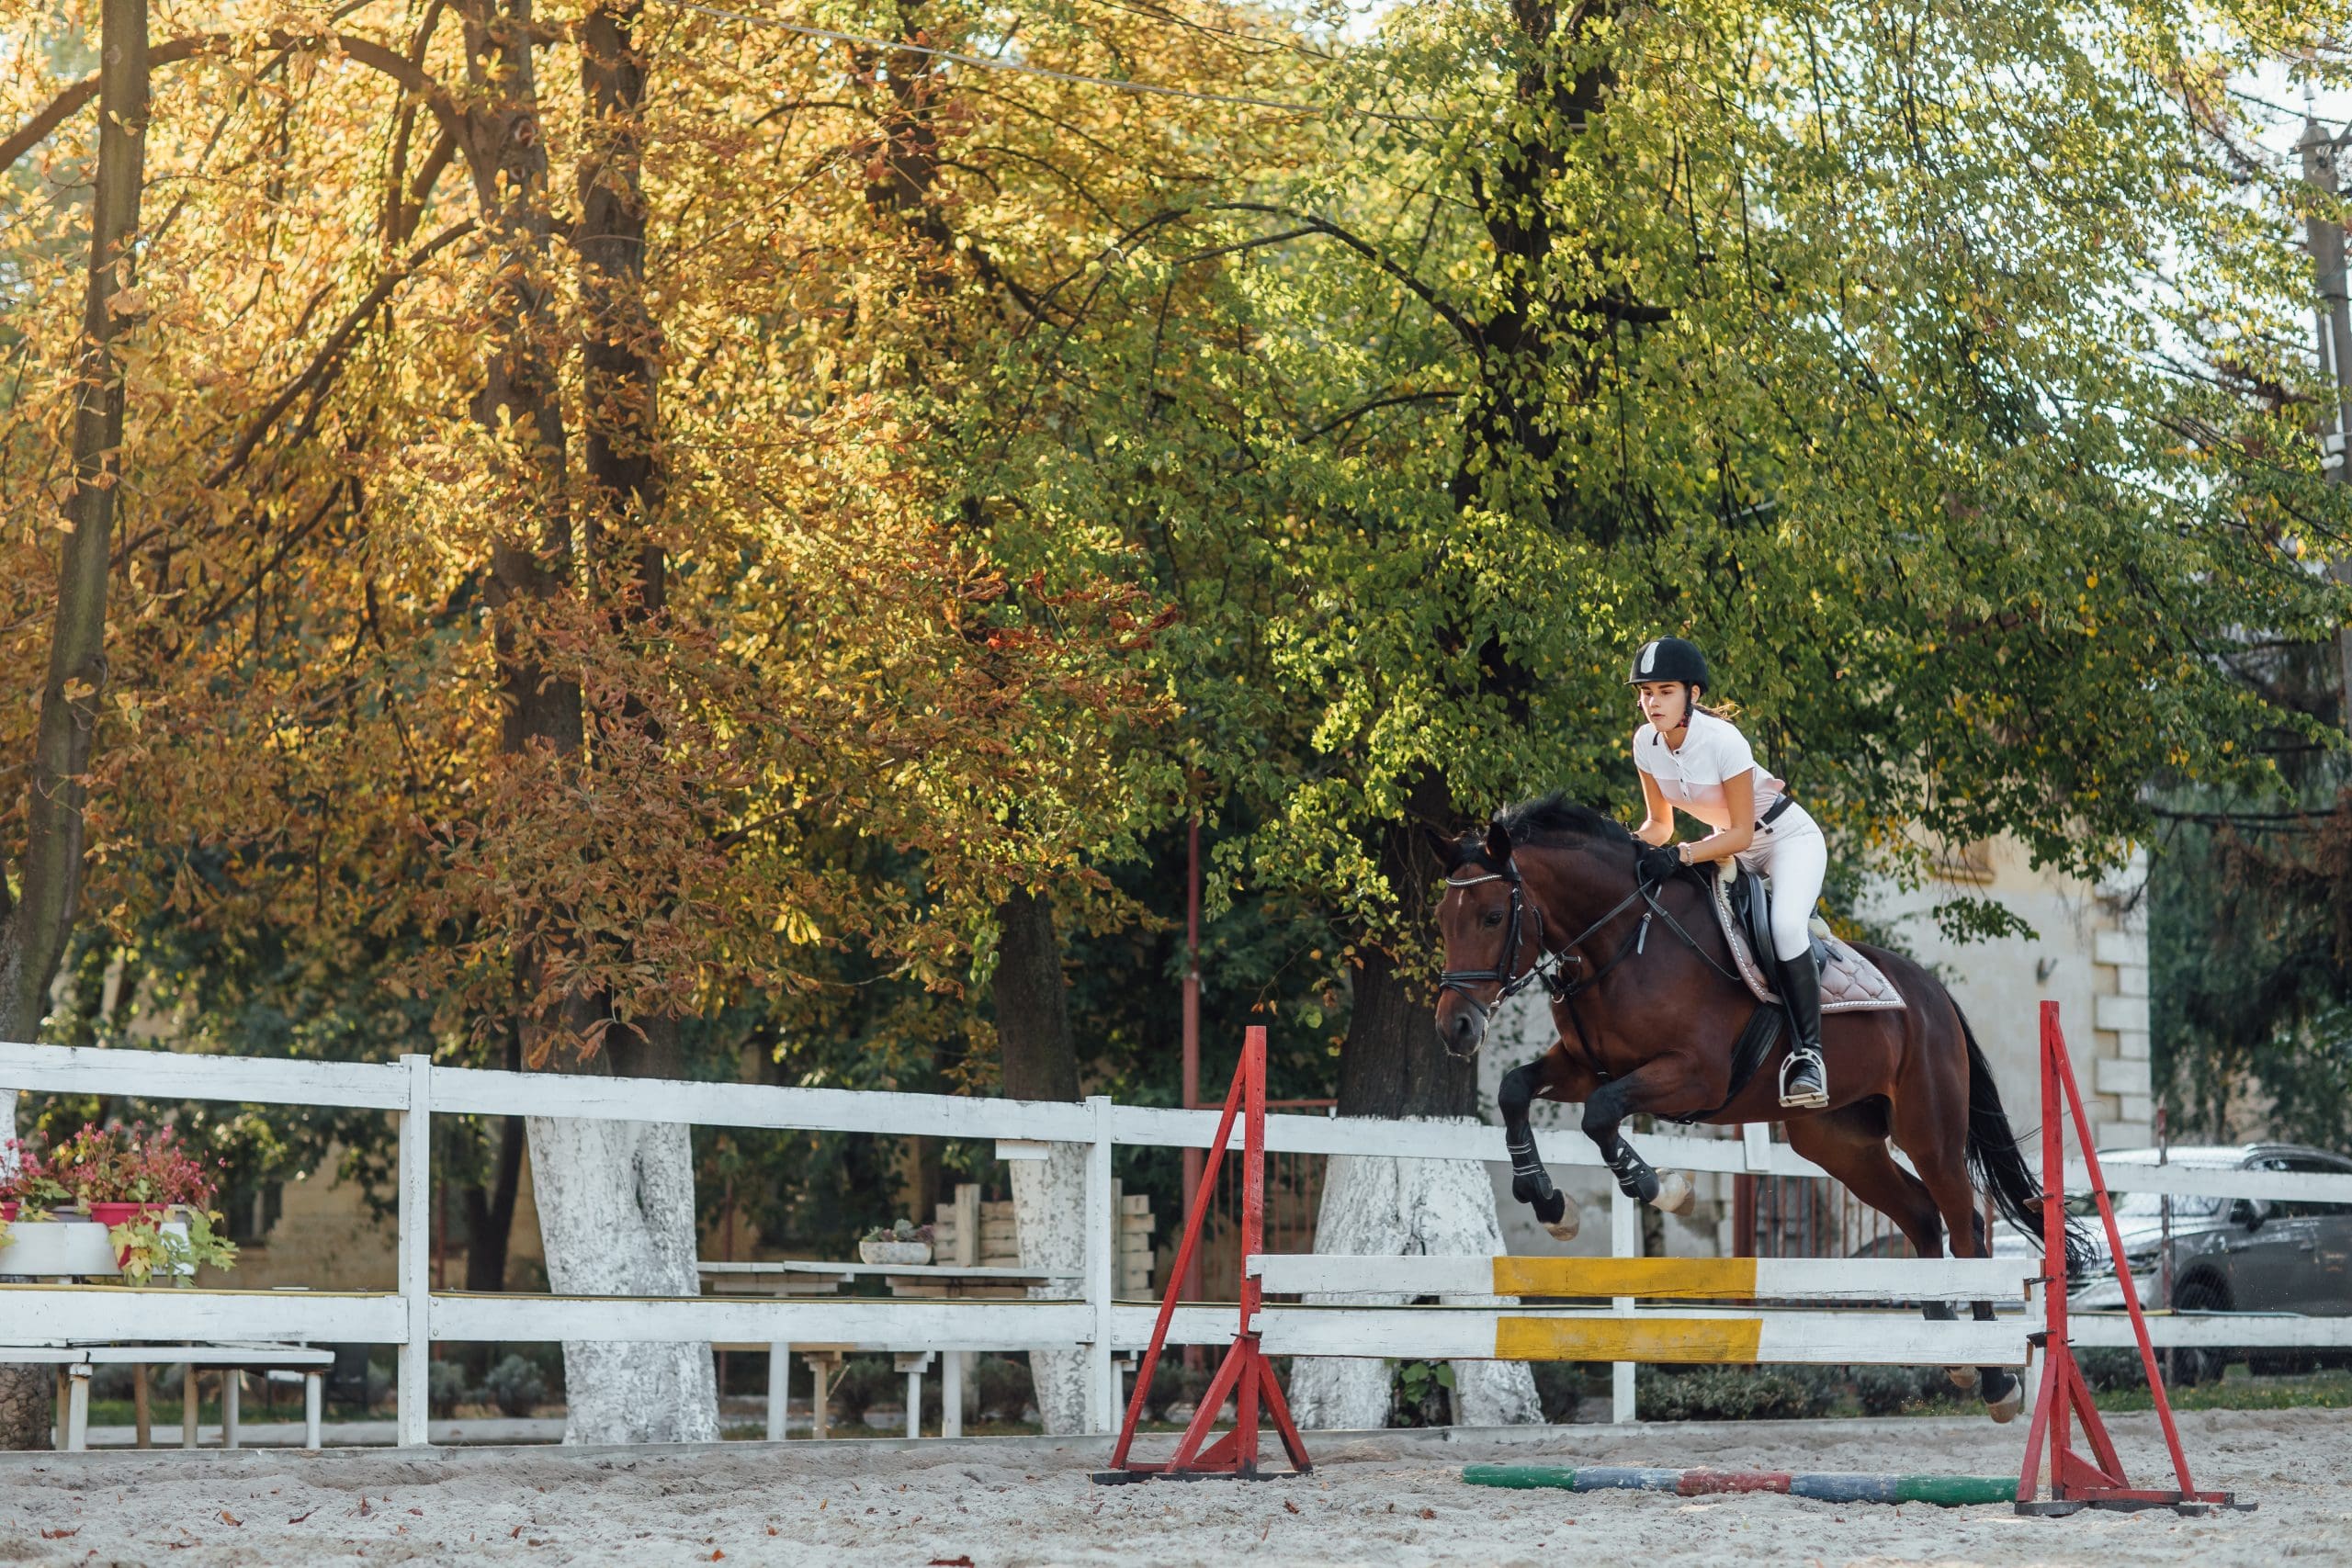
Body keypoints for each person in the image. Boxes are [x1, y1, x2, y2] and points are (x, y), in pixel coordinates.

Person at [1624, 637, 1830, 1109]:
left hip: (1784, 840)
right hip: (1724, 848)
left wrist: (1681, 855)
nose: (1652, 702)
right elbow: (1660, 824)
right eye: (1646, 692)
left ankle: (1809, 1057)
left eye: (1665, 691)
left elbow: (1740, 833)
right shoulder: (1645, 743)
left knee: (1784, 927)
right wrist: (1630, 849)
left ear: (1692, 695)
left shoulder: (1723, 741)